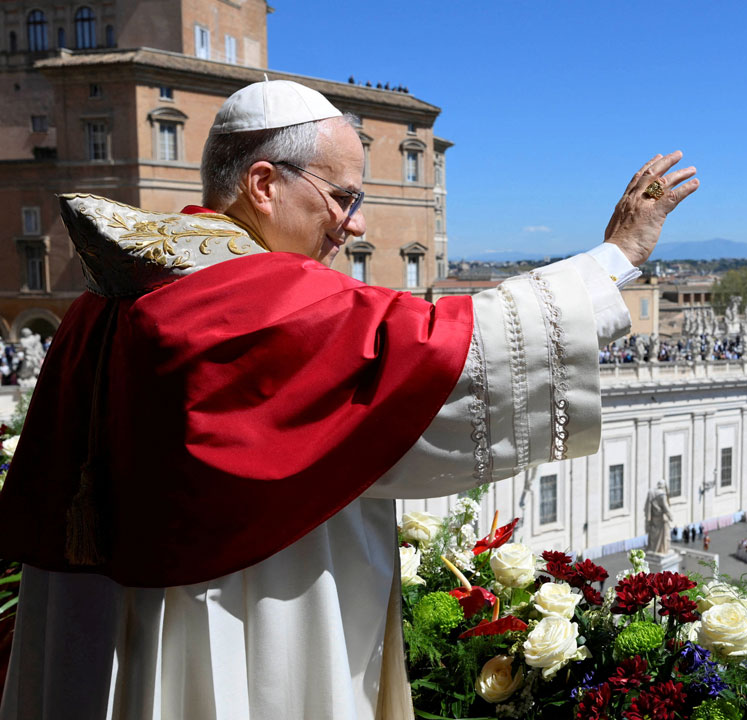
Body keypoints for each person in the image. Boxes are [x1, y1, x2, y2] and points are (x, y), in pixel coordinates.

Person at [0, 80, 698, 719]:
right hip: (237, 622)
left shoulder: (117, 291)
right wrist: (617, 257)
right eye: (343, 197)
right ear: (265, 185)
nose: (356, 225)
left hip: (101, 632)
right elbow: (443, 350)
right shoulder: (250, 297)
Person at [645, 480, 675, 556]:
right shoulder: (662, 495)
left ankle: (654, 548)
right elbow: (665, 507)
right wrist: (671, 516)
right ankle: (661, 549)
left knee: (654, 535)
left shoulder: (652, 493)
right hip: (661, 519)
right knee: (663, 536)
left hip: (654, 518)